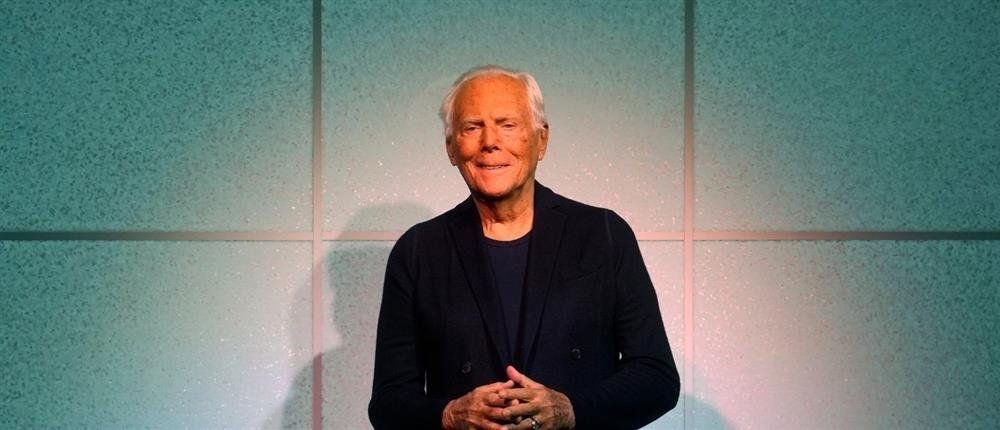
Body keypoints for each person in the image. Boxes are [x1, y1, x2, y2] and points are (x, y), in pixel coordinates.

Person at [369, 65, 679, 430]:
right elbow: (388, 403)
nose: (490, 142)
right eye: (472, 127)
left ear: (541, 140)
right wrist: (450, 416)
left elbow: (656, 377)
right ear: (451, 148)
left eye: (507, 124)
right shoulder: (418, 251)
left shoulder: (603, 235)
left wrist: (572, 411)